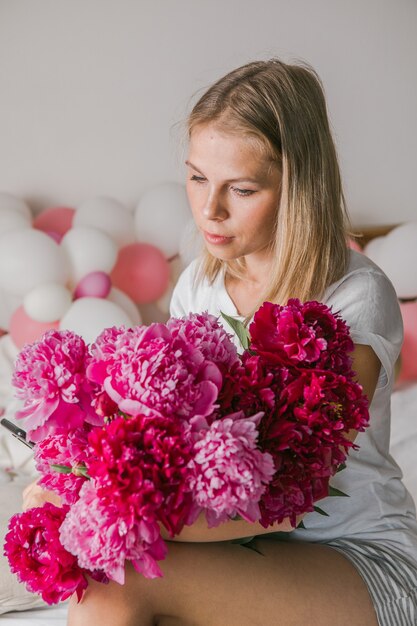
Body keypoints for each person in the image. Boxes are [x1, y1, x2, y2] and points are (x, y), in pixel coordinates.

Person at [25, 59, 417, 626]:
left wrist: (120, 518)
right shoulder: (199, 285)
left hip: (350, 554)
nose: (210, 210)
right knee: (106, 574)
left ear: (297, 187)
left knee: (120, 586)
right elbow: (175, 442)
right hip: (234, 543)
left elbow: (293, 496)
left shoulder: (357, 295)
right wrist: (85, 482)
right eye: (197, 177)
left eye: (242, 188)